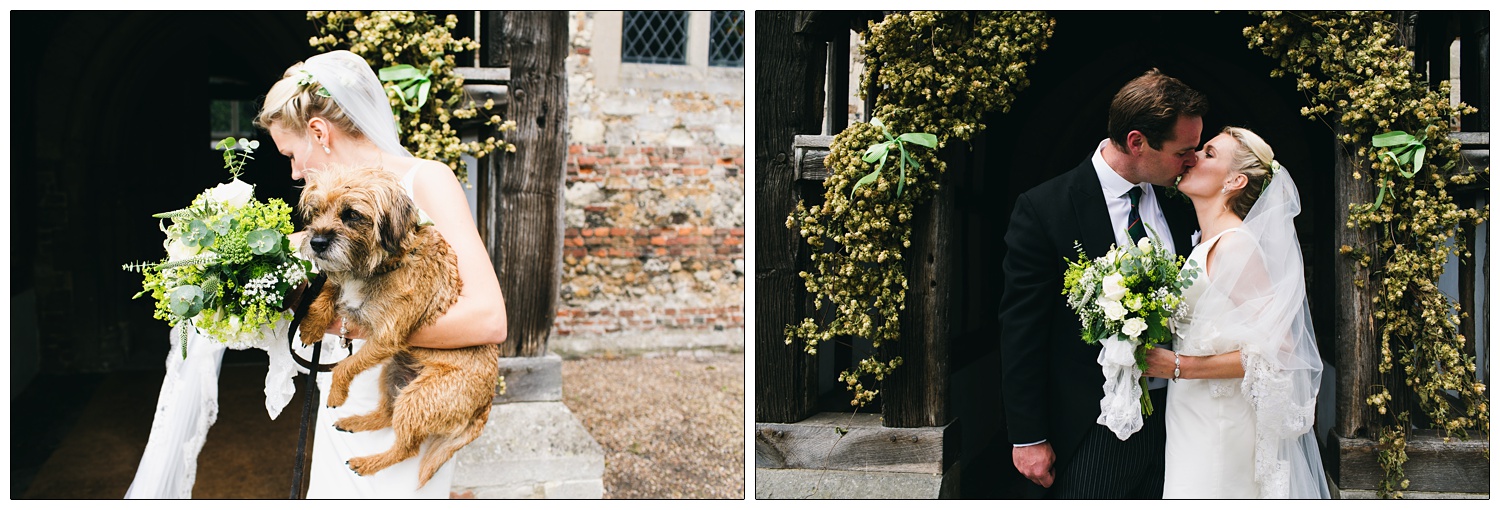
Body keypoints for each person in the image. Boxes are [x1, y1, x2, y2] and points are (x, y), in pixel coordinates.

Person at [255, 49, 508, 498]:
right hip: (344, 407)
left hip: (404, 403)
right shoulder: (331, 214)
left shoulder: (425, 181)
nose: (294, 172)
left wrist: (353, 325)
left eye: (291, 155)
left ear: (318, 131)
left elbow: (488, 319)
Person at [998, 68, 1204, 498]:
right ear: (1137, 142)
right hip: (1093, 426)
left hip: (1184, 418)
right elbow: (1022, 331)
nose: (1193, 161)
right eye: (1183, 150)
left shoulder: (1185, 200)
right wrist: (1028, 436)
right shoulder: (1045, 208)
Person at [1141, 127, 1330, 498]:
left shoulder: (1236, 248)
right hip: (1191, 414)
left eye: (1209, 153)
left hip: (1221, 423)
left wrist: (1181, 366)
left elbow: (1283, 348)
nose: (1193, 157)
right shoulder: (1205, 243)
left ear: (1235, 180)